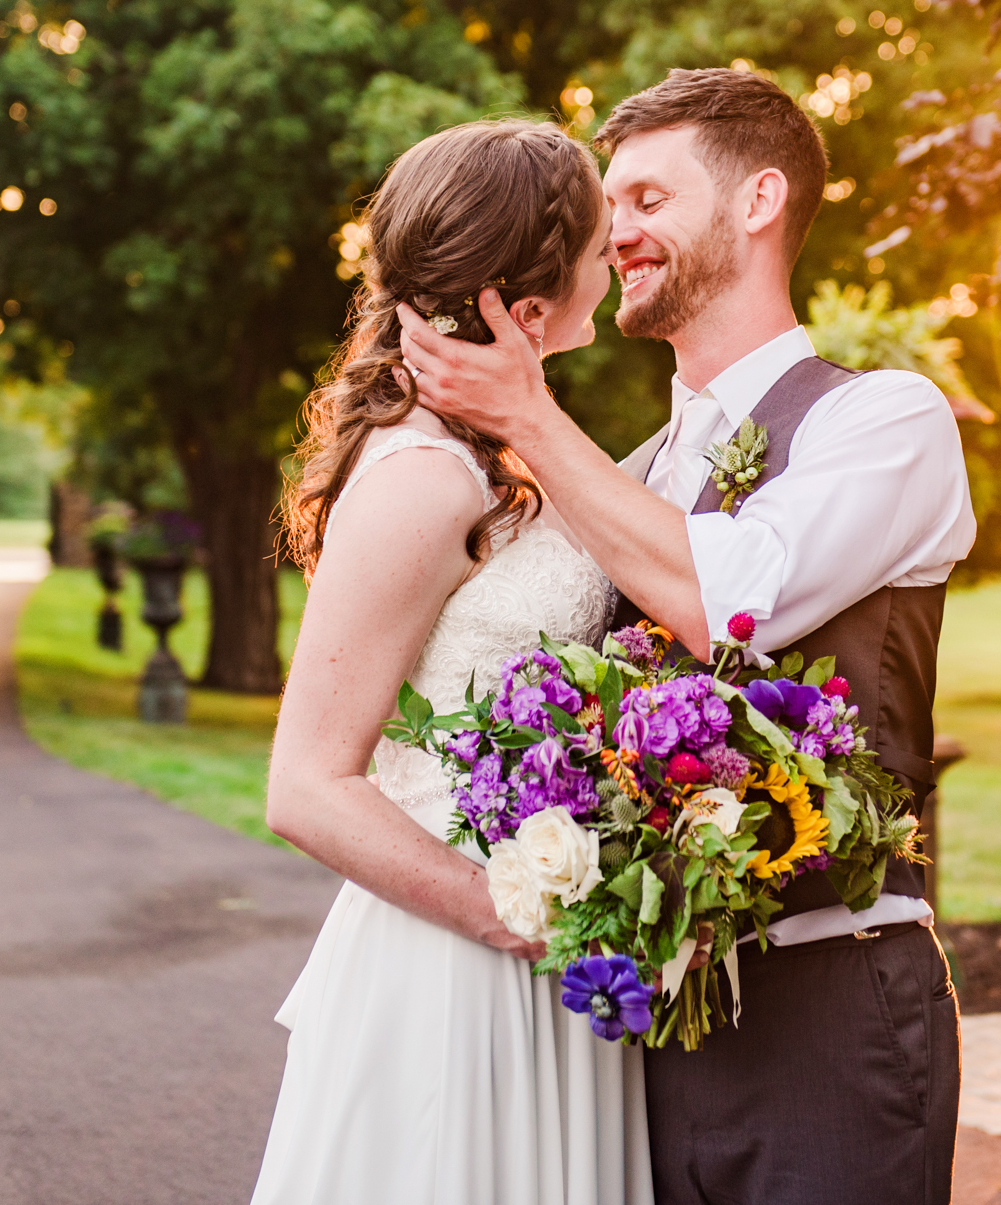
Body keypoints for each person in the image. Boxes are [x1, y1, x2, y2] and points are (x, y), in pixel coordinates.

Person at [399, 67, 975, 1205]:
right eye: (614, 207)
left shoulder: (884, 420)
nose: (617, 233)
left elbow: (733, 600)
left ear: (759, 201)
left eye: (650, 200)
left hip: (833, 1015)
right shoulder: (632, 476)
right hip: (638, 1032)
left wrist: (525, 413)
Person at [251, 119, 652, 1205]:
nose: (615, 257)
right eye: (600, 240)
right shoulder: (424, 480)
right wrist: (510, 916)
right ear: (520, 309)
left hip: (543, 949)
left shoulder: (506, 451)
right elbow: (305, 785)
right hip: (459, 964)